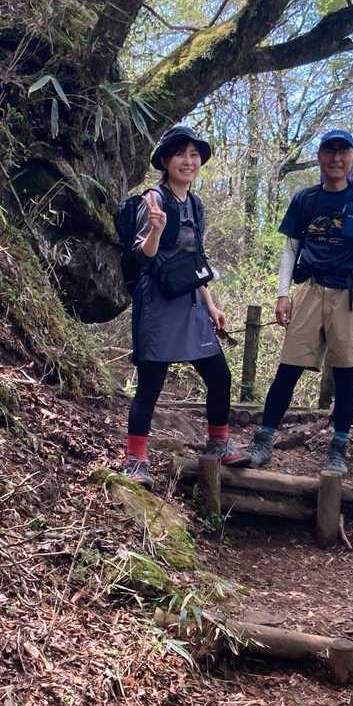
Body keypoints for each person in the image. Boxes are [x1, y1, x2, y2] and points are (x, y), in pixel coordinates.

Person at [228, 128, 353, 474]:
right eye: (330, 152)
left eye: (343, 152)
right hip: (311, 289)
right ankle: (263, 442)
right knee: (288, 368)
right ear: (319, 157)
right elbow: (291, 250)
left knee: (346, 375)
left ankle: (338, 450)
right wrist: (282, 293)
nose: (336, 159)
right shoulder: (305, 200)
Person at [122, 125, 232, 488]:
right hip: (157, 303)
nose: (189, 161)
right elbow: (143, 257)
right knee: (150, 385)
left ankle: (219, 443)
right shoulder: (153, 200)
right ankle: (135, 461)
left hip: (191, 301)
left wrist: (212, 306)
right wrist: (155, 229)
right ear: (166, 161)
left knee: (219, 375)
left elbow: (196, 259)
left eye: (194, 155)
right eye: (181, 154)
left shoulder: (195, 205)